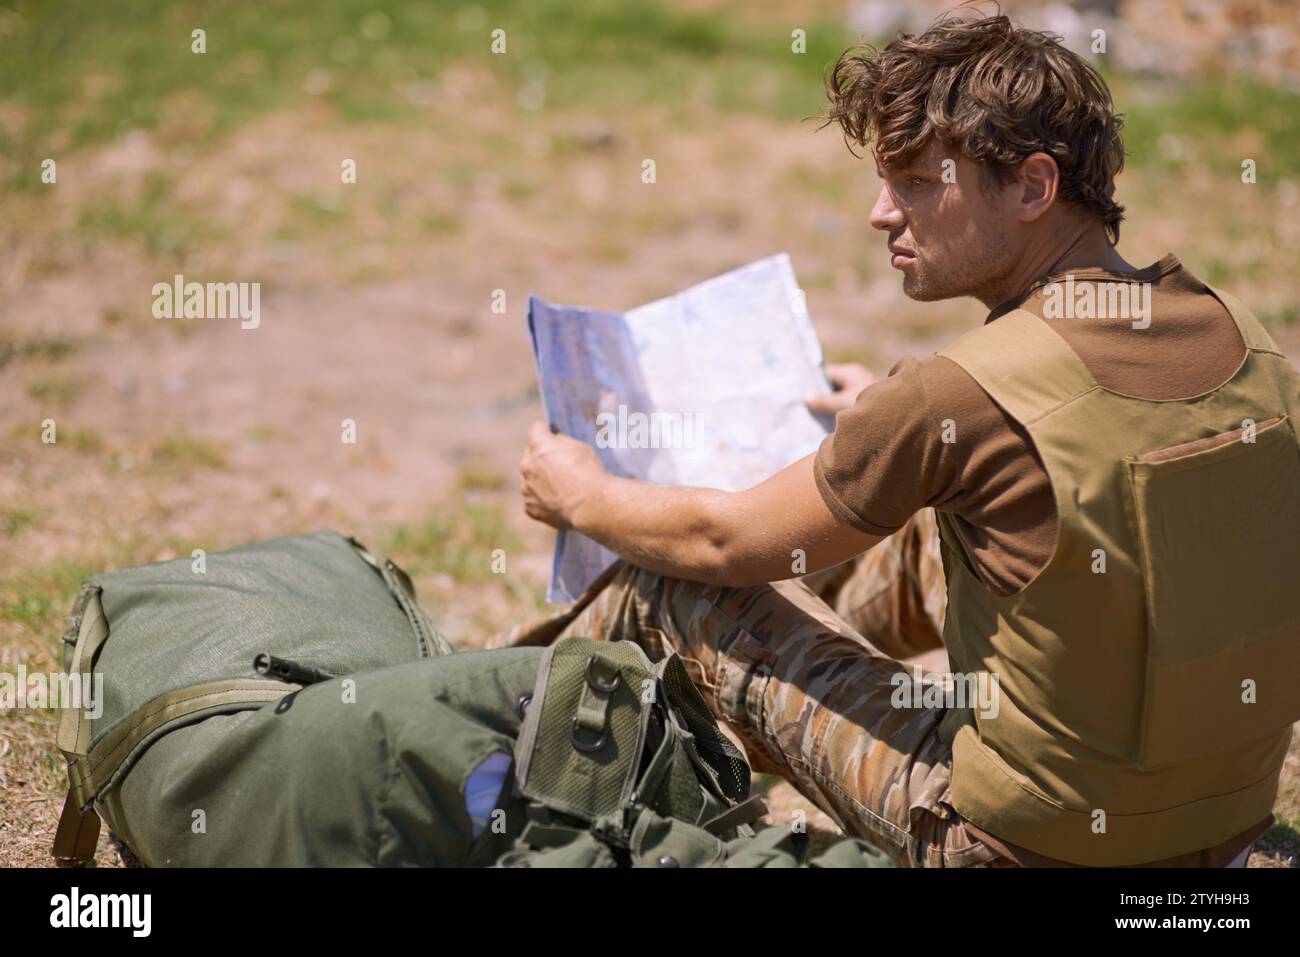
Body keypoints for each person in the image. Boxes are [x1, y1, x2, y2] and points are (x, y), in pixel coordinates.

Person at [509, 13, 1300, 868]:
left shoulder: (955, 397)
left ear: (1033, 187)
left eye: (919, 181)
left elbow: (722, 539)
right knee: (942, 539)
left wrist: (578, 495)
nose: (881, 213)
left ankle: (493, 755)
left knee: (682, 589)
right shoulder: (1249, 342)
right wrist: (901, 431)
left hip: (1007, 845)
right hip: (1221, 834)